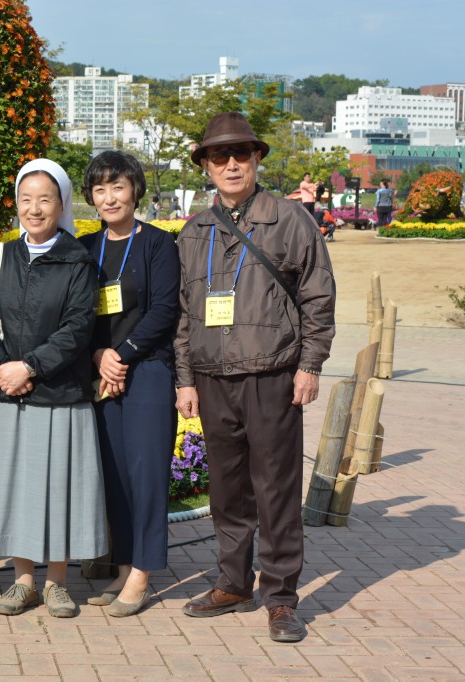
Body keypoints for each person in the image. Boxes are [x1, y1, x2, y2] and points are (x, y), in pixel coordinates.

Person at [175, 112, 335, 643]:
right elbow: (182, 314)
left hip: (272, 374)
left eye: (240, 153)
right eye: (219, 156)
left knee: (277, 491)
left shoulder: (290, 220)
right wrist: (185, 378)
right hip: (212, 376)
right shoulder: (195, 231)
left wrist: (310, 365)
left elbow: (318, 297)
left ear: (257, 158)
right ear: (206, 166)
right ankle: (233, 583)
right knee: (227, 490)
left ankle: (281, 598)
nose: (231, 164)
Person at [0, 158, 106, 619]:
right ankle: (23, 581)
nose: (34, 209)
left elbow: (77, 328)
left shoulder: (78, 261)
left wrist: (29, 367)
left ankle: (57, 583)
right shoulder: (1, 257)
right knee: (18, 487)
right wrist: (1, 370)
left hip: (61, 393)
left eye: (45, 199)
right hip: (12, 394)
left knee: (60, 488)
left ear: (62, 204)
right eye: (26, 199)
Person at [77, 151, 180, 617]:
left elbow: (164, 310)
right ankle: (122, 567)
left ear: (135, 190)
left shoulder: (158, 244)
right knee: (114, 475)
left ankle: (142, 571)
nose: (110, 197)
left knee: (146, 473)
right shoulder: (86, 247)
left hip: (148, 370)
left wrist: (122, 355)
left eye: (118, 186)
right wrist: (99, 355)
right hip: (103, 373)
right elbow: (78, 313)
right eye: (100, 189)